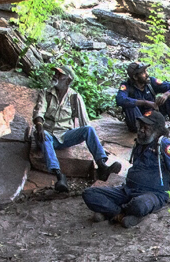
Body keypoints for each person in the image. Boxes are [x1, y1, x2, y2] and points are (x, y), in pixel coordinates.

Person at [82, 109, 170, 227]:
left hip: (154, 194)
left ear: (157, 130)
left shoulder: (166, 146)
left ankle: (111, 212)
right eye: (141, 126)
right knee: (89, 194)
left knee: (139, 205)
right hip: (127, 190)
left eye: (146, 128)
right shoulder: (139, 142)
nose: (141, 130)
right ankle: (120, 215)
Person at [33, 64, 121, 193]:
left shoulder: (75, 97)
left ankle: (102, 166)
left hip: (65, 135)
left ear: (68, 80)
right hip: (47, 134)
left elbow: (85, 123)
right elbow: (39, 111)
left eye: (60, 75)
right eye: (55, 73)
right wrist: (39, 126)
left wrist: (98, 145)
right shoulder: (45, 93)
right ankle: (59, 175)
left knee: (88, 130)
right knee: (45, 136)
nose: (55, 76)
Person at [116, 62, 170, 160]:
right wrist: (145, 102)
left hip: (152, 118)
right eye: (143, 72)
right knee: (129, 105)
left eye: (146, 71)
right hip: (137, 121)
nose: (147, 74)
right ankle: (143, 133)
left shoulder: (151, 82)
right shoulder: (126, 86)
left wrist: (166, 94)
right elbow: (120, 99)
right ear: (135, 77)